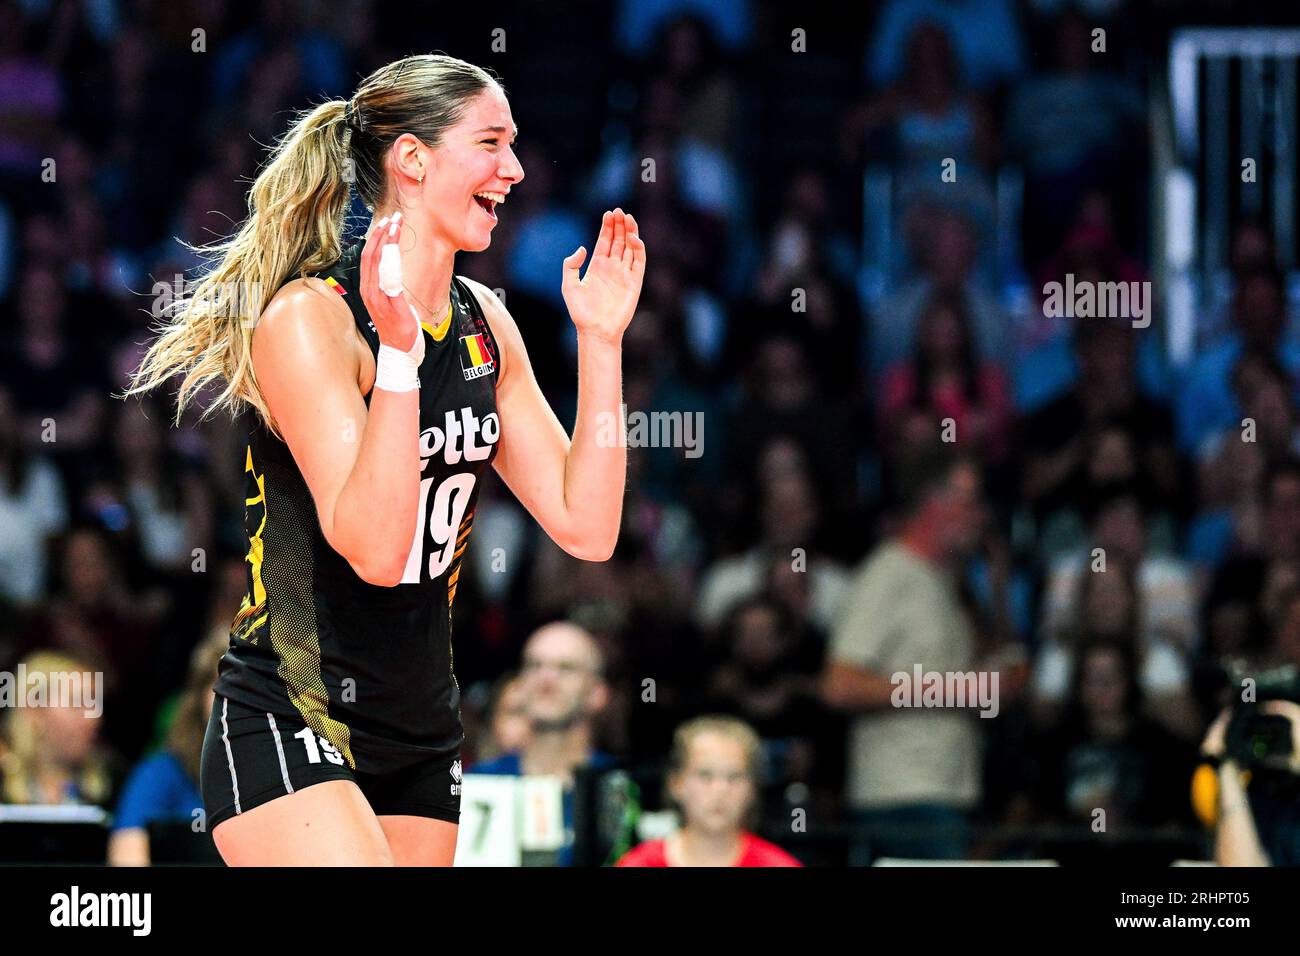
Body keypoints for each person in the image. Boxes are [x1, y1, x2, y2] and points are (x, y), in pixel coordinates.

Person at [124, 54, 646, 866]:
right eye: (491, 143)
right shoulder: (310, 318)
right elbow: (372, 548)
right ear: (413, 159)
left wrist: (602, 344)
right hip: (293, 709)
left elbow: (589, 528)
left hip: (422, 728)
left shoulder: (486, 323)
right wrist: (398, 362)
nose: (514, 169)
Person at [821, 444, 988, 864]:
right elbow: (839, 686)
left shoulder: (944, 581)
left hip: (943, 792)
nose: (980, 515)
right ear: (935, 503)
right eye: (970, 502)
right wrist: (955, 691)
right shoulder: (887, 574)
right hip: (902, 800)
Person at [469, 621, 617, 866]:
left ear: (597, 693)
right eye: (534, 666)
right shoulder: (478, 784)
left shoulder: (620, 786)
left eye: (566, 668)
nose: (546, 679)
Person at [616, 715, 801, 867]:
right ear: (676, 783)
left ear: (752, 789)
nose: (720, 790)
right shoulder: (641, 863)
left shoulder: (778, 864)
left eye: (734, 777)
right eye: (705, 775)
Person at [107, 633, 226, 866]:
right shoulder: (162, 773)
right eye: (223, 685)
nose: (234, 701)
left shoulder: (290, 774)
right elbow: (126, 858)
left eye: (249, 689)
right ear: (197, 698)